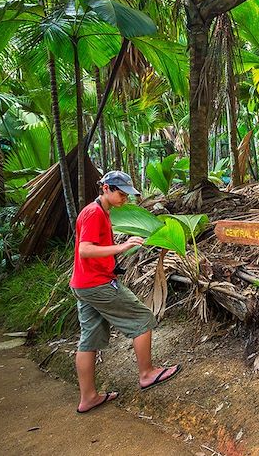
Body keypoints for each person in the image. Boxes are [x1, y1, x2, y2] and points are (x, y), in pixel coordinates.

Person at [71, 170, 181, 413]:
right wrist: (122, 246)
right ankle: (147, 373)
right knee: (142, 318)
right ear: (106, 188)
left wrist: (121, 251)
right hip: (97, 284)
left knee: (89, 338)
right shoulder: (93, 213)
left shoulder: (100, 211)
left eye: (127, 195)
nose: (125, 199)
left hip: (84, 284)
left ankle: (88, 397)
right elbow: (85, 251)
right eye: (121, 194)